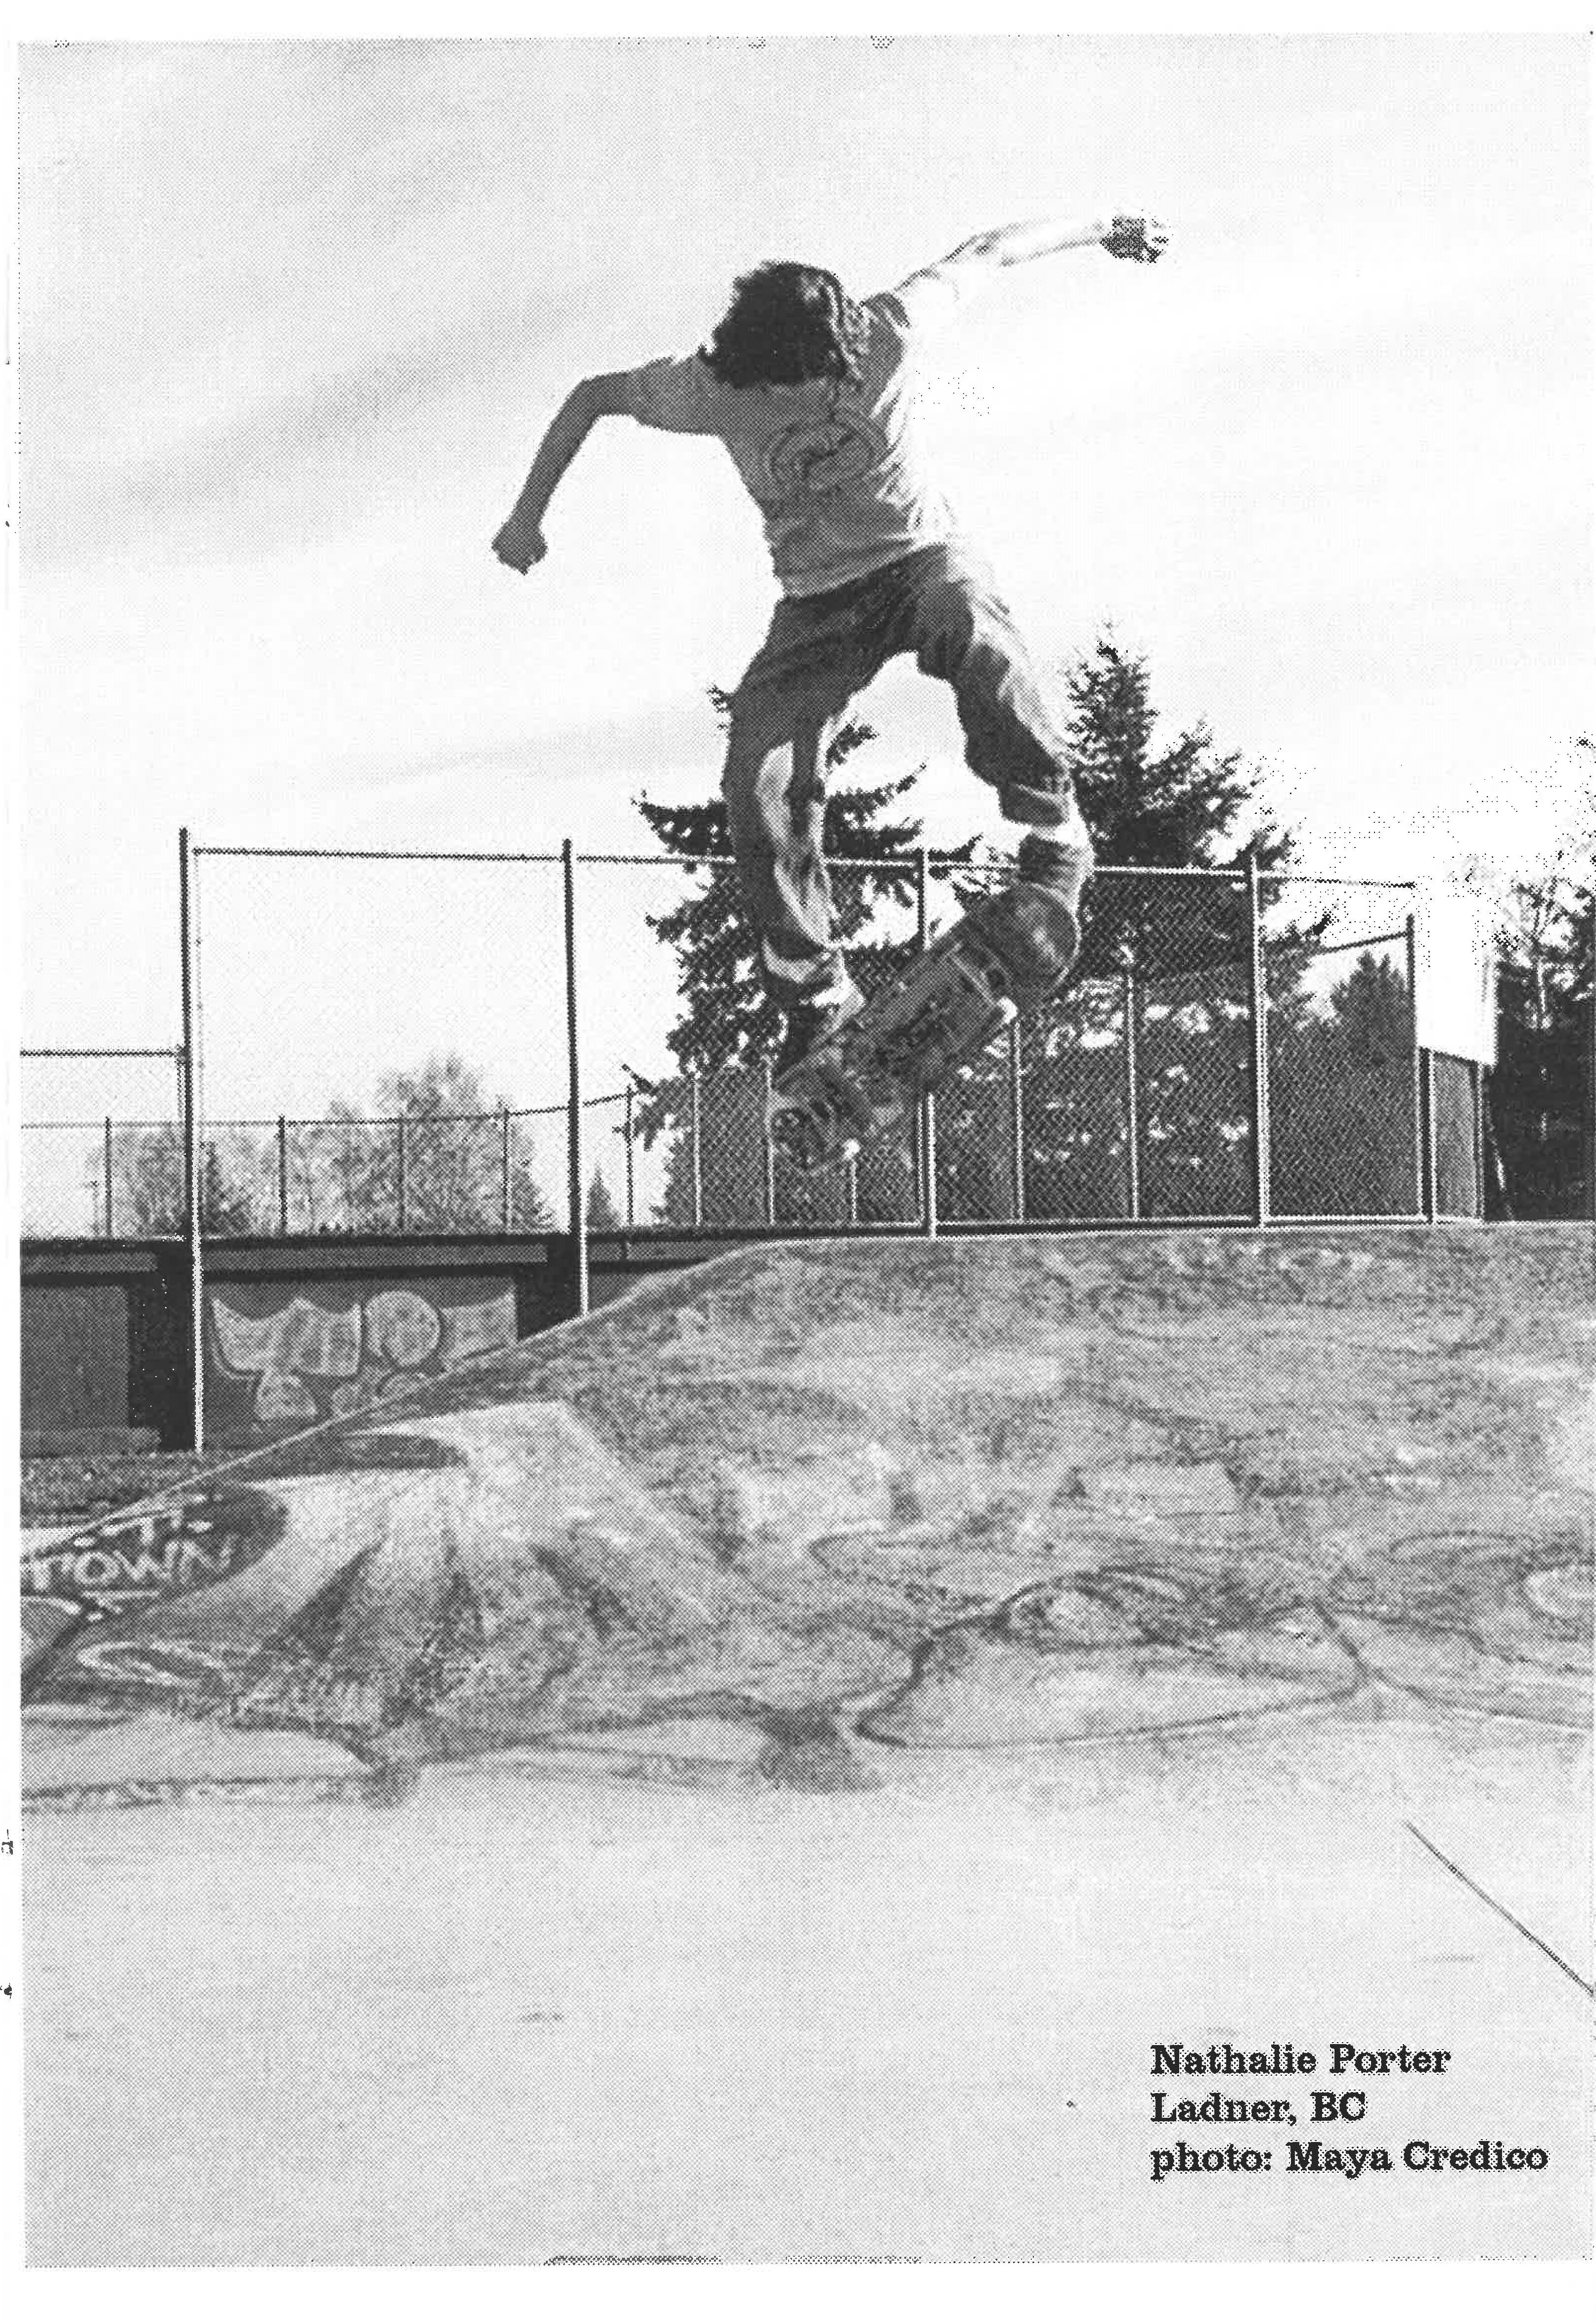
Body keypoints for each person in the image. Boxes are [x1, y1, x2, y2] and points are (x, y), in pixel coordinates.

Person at [494, 212, 1168, 1074]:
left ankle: (1055, 839)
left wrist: (1107, 227)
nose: (802, 404)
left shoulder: (890, 328)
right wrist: (526, 516)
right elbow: (592, 396)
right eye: (783, 397)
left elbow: (990, 251)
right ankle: (814, 991)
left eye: (817, 388)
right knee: (758, 779)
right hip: (816, 606)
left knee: (975, 628)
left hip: (919, 560)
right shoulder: (707, 388)